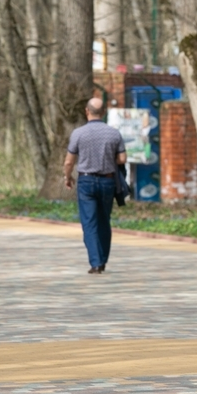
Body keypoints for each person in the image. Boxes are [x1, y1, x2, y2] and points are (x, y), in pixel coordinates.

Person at [63, 98, 126, 274]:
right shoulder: (114, 133)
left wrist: (68, 178)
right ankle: (103, 259)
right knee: (104, 220)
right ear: (104, 112)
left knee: (89, 222)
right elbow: (122, 159)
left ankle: (96, 262)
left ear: (86, 111)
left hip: (86, 182)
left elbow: (69, 162)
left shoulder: (78, 133)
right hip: (108, 181)